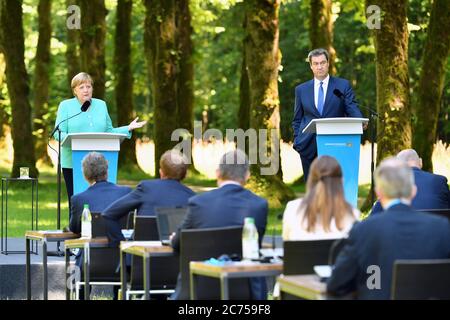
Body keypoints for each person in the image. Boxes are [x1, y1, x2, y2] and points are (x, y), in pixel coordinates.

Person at [327, 158, 450, 299]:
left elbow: (336, 283)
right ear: (413, 191)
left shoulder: (363, 230)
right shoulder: (442, 228)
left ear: (379, 193)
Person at [170, 150, 268, 300]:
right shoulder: (259, 205)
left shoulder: (198, 203)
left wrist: (173, 238)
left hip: (199, 290)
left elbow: (177, 244)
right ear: (247, 175)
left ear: (217, 173)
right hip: (245, 293)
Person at [53, 72, 146, 217]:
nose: (86, 90)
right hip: (73, 162)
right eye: (81, 87)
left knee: (102, 200)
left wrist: (128, 128)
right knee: (76, 200)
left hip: (100, 162)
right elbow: (59, 133)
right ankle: (76, 230)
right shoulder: (66, 106)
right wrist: (71, 138)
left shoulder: (101, 105)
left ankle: (101, 226)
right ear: (75, 90)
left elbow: (108, 131)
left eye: (88, 86)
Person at [292, 48, 363, 181]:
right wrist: (298, 141)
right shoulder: (301, 90)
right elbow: (297, 119)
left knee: (335, 186)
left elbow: (351, 107)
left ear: (328, 63)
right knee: (313, 189)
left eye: (323, 63)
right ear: (311, 66)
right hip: (308, 146)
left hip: (335, 144)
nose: (320, 67)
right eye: (316, 63)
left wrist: (360, 121)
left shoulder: (342, 86)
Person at [102, 149, 195, 247]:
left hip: (140, 258)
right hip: (177, 260)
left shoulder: (146, 188)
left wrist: (122, 246)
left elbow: (109, 214)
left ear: (161, 172)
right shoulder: (193, 198)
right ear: (184, 175)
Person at [69, 152, 132, 268]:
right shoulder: (126, 192)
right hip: (123, 261)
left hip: (90, 262)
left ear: (85, 175)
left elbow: (74, 228)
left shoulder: (78, 199)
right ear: (106, 171)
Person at [282, 156, 359, 241]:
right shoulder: (352, 214)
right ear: (341, 181)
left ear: (310, 180)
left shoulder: (293, 209)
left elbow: (287, 242)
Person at [370, 149, 450, 215]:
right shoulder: (440, 181)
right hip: (437, 231)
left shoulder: (393, 183)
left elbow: (373, 218)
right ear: (420, 162)